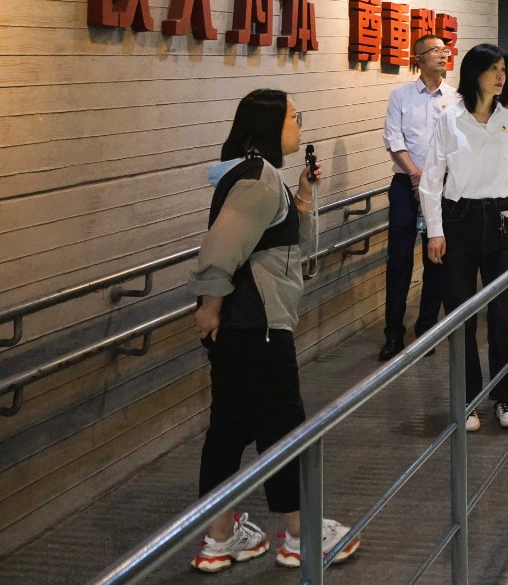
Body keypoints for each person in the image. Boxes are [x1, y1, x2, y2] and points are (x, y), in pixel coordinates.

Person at [190, 89, 359, 572]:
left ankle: (220, 537)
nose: (298, 126)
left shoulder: (260, 174)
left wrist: (303, 193)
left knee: (229, 429)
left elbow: (293, 244)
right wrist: (210, 307)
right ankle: (300, 534)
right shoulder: (259, 178)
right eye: (293, 117)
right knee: (283, 428)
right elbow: (221, 249)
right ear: (270, 124)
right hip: (258, 326)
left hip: (245, 326)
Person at [420, 43, 508, 432]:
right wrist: (435, 230)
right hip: (459, 220)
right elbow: (431, 180)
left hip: (501, 219)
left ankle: (504, 396)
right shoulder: (450, 119)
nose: (501, 76)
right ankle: (468, 399)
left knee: (502, 317)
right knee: (462, 316)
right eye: (493, 68)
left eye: (503, 69)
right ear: (474, 73)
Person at [378, 34, 461, 362]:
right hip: (405, 184)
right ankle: (393, 334)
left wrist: (431, 179)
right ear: (419, 59)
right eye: (435, 50)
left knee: (436, 258)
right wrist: (415, 174)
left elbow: (458, 143)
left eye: (445, 50)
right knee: (398, 260)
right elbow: (393, 138)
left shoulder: (456, 98)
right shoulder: (401, 96)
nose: (443, 54)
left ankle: (426, 329)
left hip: (442, 185)